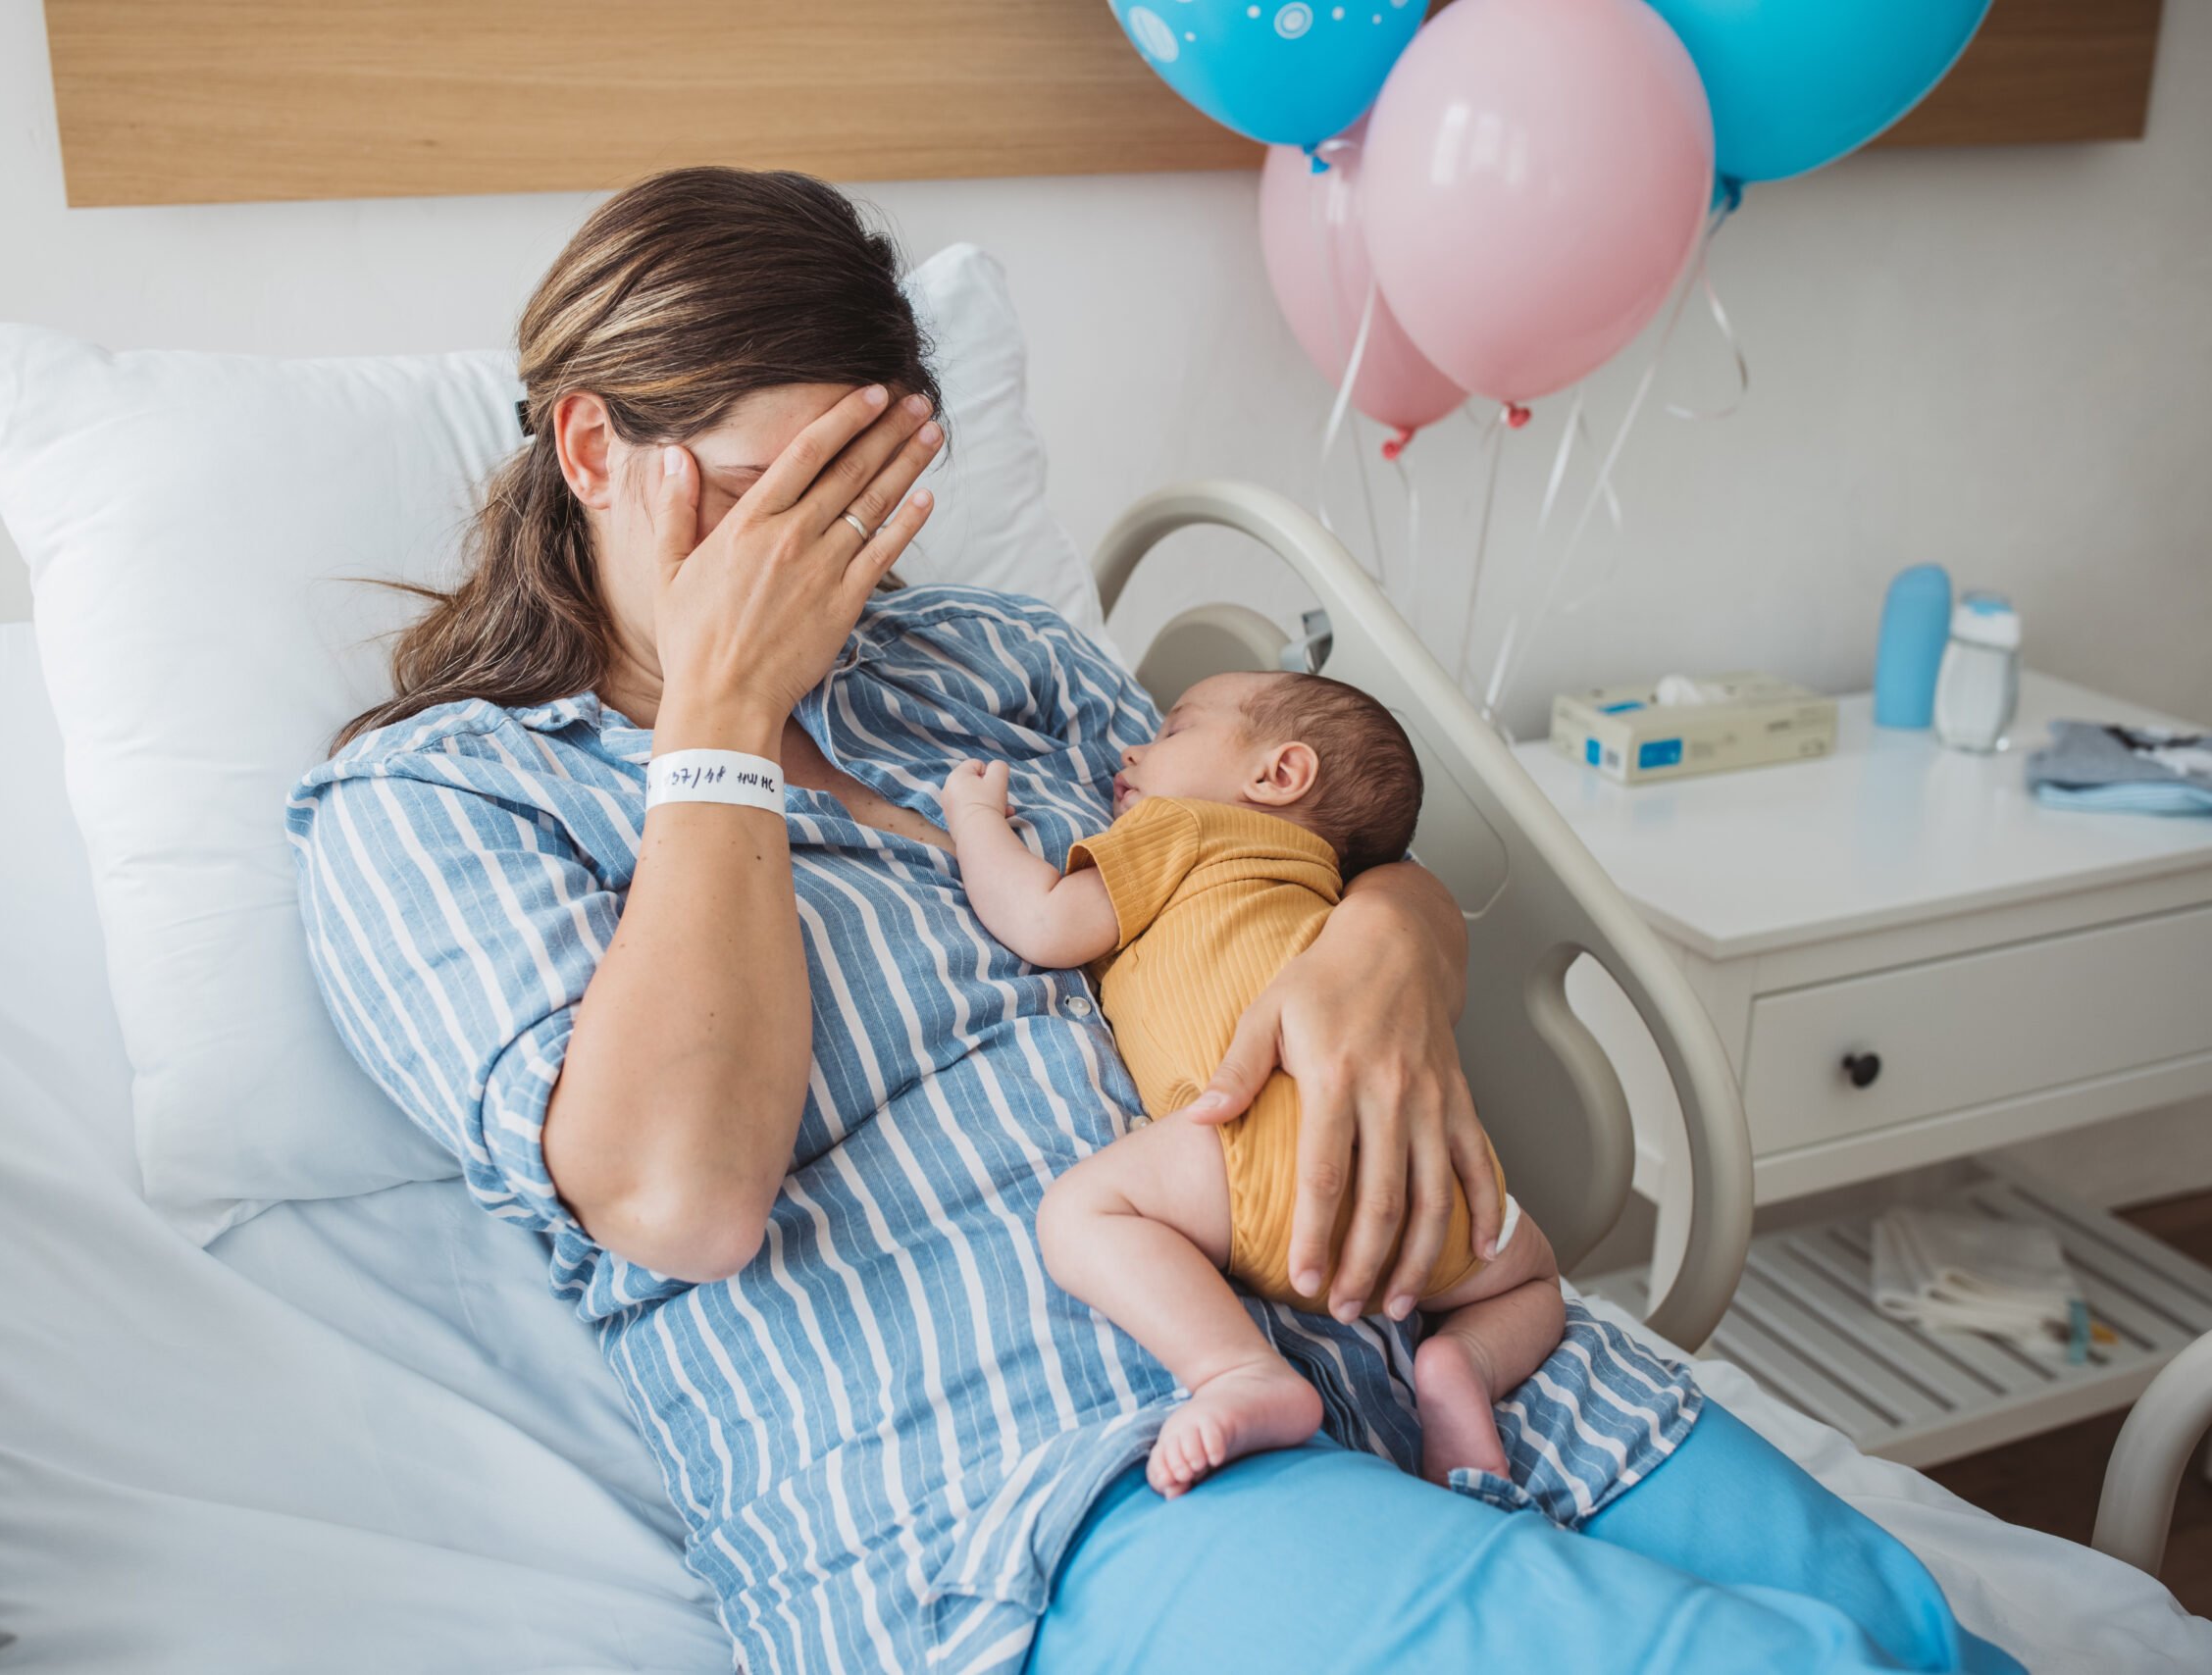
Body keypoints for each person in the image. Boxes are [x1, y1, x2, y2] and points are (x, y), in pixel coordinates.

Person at [287, 166, 2014, 1675]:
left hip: (1397, 1332)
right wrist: (720, 717)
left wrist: (1401, 943)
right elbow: (682, 1197)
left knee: (1914, 1635)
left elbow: (1278, 838)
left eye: (870, 505)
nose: (837, 574)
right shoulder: (439, 806)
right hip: (1046, 1479)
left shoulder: (992, 662)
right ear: (595, 448)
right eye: (774, 505)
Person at [941, 670, 1565, 1497]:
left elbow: (1046, 919)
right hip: (1420, 1194)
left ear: (1276, 776)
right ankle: (1461, 1365)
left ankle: (1238, 1369)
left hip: (1248, 1171)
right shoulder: (1330, 891)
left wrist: (976, 821)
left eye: (1172, 731)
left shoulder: (1186, 827)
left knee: (1078, 1212)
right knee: (1535, 1278)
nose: (1133, 749)